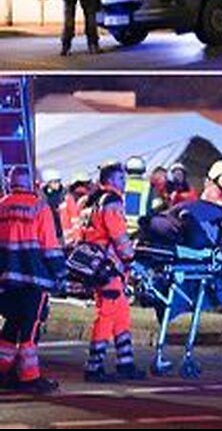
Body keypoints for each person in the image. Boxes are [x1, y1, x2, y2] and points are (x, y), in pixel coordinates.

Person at [0, 167, 66, 393]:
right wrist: (60, 274)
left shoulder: (2, 206)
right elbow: (49, 245)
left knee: (11, 326)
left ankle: (2, 371)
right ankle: (29, 377)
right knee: (29, 328)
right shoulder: (39, 207)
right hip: (34, 278)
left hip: (7, 278)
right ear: (34, 184)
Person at [83, 163, 145, 382]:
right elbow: (118, 235)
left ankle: (125, 362)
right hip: (109, 267)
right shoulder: (112, 201)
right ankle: (94, 366)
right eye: (120, 178)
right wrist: (130, 257)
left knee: (120, 314)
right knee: (108, 315)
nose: (124, 182)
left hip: (98, 266)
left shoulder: (92, 201)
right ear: (109, 180)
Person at [41, 168, 82, 246]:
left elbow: (75, 218)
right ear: (48, 183)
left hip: (67, 239)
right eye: (55, 182)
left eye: (59, 181)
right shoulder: (42, 198)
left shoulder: (66, 196)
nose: (58, 184)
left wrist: (77, 237)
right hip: (51, 237)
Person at [121, 156, 154, 232]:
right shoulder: (148, 185)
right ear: (143, 170)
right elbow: (153, 204)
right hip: (142, 227)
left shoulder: (122, 184)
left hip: (123, 225)